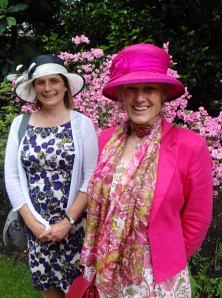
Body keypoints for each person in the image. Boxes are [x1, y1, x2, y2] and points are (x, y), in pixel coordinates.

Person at [79, 44, 214, 297]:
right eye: (131, 89)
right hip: (105, 270)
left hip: (156, 279)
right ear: (121, 95)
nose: (140, 98)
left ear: (163, 94)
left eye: (149, 89)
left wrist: (166, 260)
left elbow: (198, 219)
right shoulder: (106, 140)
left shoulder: (190, 146)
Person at [4, 54, 98, 298]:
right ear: (33, 88)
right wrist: (34, 225)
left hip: (76, 228)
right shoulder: (20, 124)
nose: (48, 88)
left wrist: (67, 222)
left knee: (79, 291)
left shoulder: (82, 125)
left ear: (65, 85)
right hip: (38, 229)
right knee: (49, 289)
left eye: (54, 81)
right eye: (41, 82)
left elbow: (92, 177)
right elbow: (12, 177)